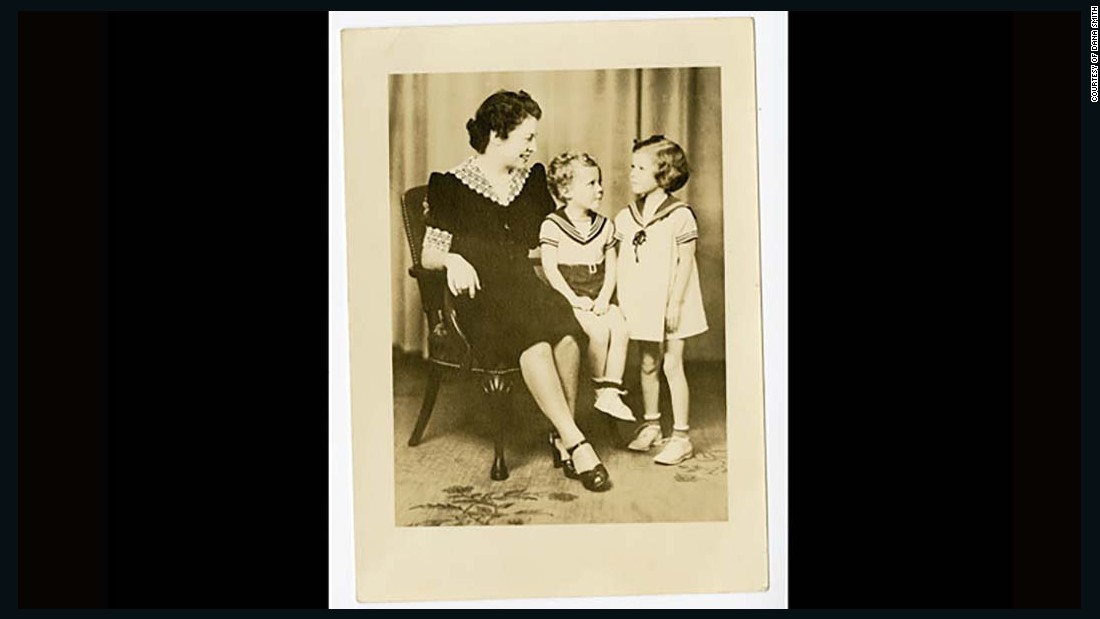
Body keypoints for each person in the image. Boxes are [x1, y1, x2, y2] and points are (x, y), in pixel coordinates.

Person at [419, 90, 611, 492]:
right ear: (496, 136)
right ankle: (577, 442)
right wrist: (454, 260)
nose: (533, 147)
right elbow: (429, 254)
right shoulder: (449, 185)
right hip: (481, 299)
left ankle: (561, 436)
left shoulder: (534, 179)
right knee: (535, 344)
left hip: (526, 286)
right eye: (526, 138)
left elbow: (551, 238)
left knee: (567, 334)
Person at [613, 135, 708, 465]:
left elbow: (685, 264)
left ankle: (681, 437)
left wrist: (674, 304)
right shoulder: (626, 217)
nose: (632, 173)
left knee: (671, 363)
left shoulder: (680, 215)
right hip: (643, 303)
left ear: (663, 173)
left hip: (673, 303)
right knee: (648, 363)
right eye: (632, 166)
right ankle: (652, 424)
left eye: (640, 168)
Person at [539, 152, 635, 423]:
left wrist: (605, 297)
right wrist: (572, 298)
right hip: (570, 295)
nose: (600, 189)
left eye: (599, 182)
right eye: (591, 183)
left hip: (599, 290)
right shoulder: (553, 225)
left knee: (621, 328)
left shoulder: (605, 225)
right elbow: (550, 269)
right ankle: (598, 387)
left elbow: (611, 266)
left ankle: (610, 391)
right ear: (566, 190)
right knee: (599, 331)